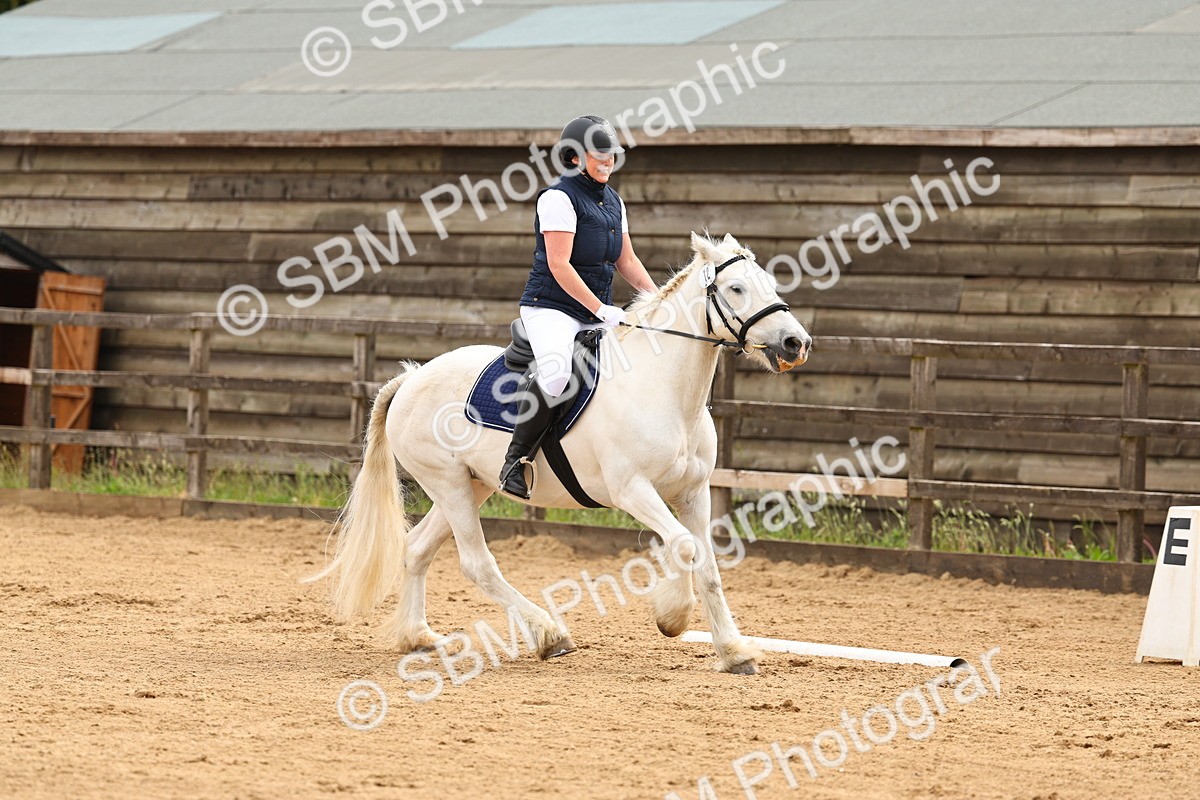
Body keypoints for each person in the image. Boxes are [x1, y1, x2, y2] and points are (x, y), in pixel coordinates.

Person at [498, 115, 657, 499]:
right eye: (600, 155)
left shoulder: (614, 202)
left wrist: (659, 301)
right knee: (556, 375)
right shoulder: (557, 198)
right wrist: (602, 309)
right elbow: (559, 265)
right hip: (550, 308)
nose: (608, 162)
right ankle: (515, 462)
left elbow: (627, 262)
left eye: (613, 155)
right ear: (575, 157)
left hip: (593, 310)